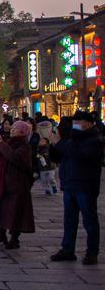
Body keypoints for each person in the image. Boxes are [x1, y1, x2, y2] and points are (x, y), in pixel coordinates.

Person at [49, 110, 102, 265]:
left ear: (88, 123)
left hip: (85, 185)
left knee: (89, 221)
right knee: (69, 220)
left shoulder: (95, 140)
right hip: (70, 184)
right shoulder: (72, 139)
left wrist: (60, 144)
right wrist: (53, 145)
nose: (76, 124)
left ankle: (92, 252)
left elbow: (81, 156)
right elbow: (60, 157)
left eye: (79, 122)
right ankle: (67, 249)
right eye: (75, 122)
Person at [0, 119, 35, 249]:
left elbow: (15, 159)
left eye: (15, 128)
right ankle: (0, 234)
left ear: (22, 132)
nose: (12, 130)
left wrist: (1, 144)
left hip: (16, 183)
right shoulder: (7, 142)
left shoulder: (24, 146)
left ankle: (14, 238)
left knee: (15, 211)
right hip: (0, 181)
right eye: (12, 128)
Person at [35, 120, 58, 195]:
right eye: (40, 141)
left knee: (51, 178)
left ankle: (53, 185)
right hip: (42, 167)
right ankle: (47, 189)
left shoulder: (49, 147)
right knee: (43, 180)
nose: (41, 142)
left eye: (43, 141)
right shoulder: (38, 149)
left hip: (50, 166)